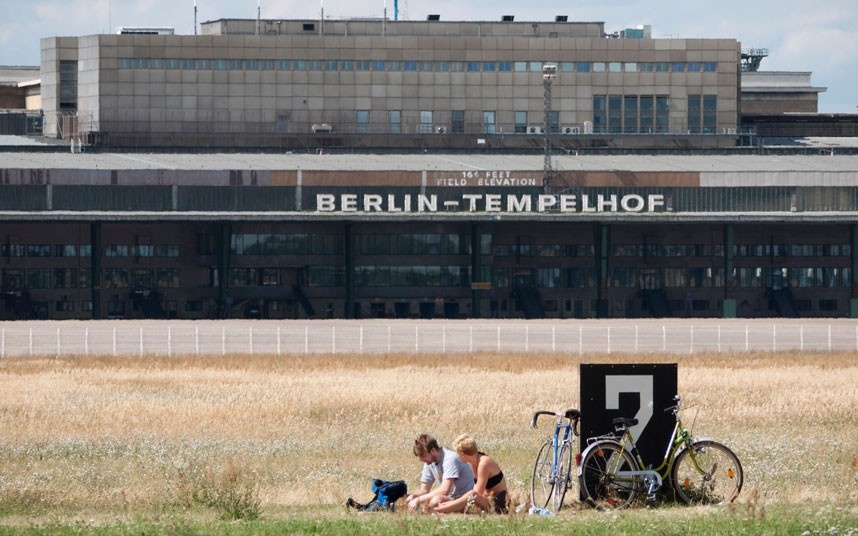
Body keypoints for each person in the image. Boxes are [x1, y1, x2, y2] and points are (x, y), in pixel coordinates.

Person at [433, 434, 509, 514]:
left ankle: (444, 509)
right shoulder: (473, 463)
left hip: (498, 504)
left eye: (458, 454)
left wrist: (454, 503)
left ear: (463, 454)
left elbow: (477, 493)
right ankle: (447, 508)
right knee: (442, 498)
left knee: (472, 495)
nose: (457, 457)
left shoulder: (484, 463)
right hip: (486, 500)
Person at [405, 433, 475, 511]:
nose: (421, 460)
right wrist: (413, 496)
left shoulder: (450, 459)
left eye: (423, 456)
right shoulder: (429, 462)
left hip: (464, 499)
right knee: (410, 499)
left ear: (433, 450)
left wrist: (418, 500)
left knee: (436, 500)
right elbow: (424, 490)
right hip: (450, 498)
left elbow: (444, 490)